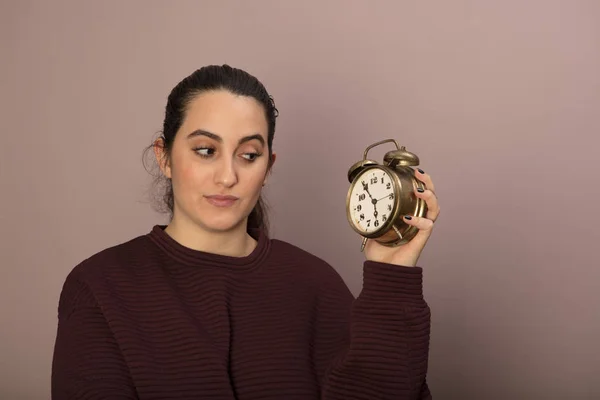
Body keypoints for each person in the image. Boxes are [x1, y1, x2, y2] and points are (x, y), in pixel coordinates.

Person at [51, 64, 440, 399]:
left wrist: (392, 275)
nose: (227, 176)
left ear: (268, 167)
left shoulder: (315, 283)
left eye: (249, 155)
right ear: (165, 157)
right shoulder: (100, 286)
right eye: (206, 150)